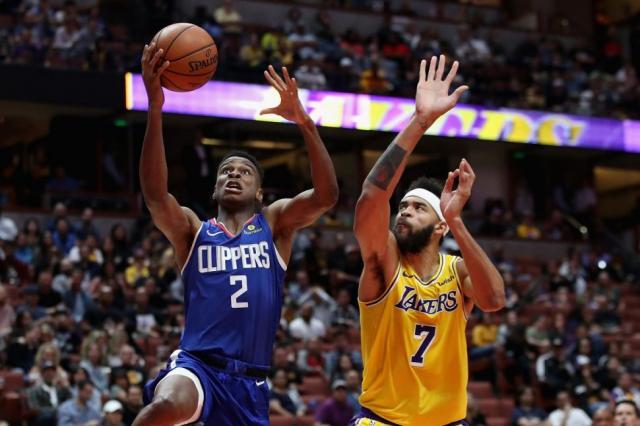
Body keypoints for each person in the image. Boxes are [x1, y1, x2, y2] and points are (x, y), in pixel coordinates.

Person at [133, 42, 338, 426]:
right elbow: (156, 196)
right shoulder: (194, 230)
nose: (233, 174)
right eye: (226, 171)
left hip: (250, 383)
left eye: (244, 171)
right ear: (214, 190)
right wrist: (156, 107)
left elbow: (327, 197)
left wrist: (305, 123)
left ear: (260, 192)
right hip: (197, 366)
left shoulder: (274, 224)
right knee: (163, 407)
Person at [351, 55, 505, 425]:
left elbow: (495, 300)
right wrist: (420, 121)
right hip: (381, 420)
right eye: (403, 206)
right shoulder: (384, 261)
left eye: (418, 208)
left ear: (440, 228)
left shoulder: (458, 271)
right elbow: (372, 197)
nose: (404, 212)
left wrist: (459, 223)